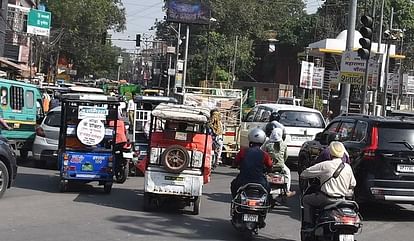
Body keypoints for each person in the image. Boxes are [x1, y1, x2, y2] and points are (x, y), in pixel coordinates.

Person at [300, 141, 356, 228]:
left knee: (306, 200)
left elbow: (304, 173)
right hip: (342, 199)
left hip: (326, 199)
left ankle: (309, 225)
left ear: (330, 153)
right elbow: (353, 183)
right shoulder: (348, 167)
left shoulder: (325, 165)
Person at [231, 128, 273, 198]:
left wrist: (236, 165)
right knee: (268, 190)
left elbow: (235, 163)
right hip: (260, 181)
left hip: (243, 180)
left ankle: (235, 201)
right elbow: (270, 166)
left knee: (233, 185)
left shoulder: (242, 152)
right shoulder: (265, 155)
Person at [262, 128, 296, 197]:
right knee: (288, 172)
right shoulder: (284, 144)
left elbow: (264, 154)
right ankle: (287, 191)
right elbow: (286, 156)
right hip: (280, 166)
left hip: (269, 166)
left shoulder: (267, 144)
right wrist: (282, 163)